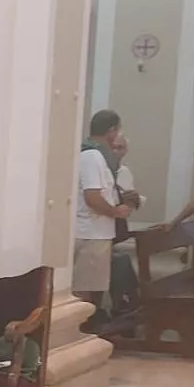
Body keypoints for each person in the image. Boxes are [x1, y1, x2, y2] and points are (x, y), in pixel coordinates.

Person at [75, 111, 132, 306]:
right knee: (84, 292)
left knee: (93, 289)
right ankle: (83, 324)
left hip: (97, 232)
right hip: (91, 233)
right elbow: (92, 197)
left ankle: (91, 321)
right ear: (112, 130)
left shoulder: (97, 155)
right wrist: (116, 211)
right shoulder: (92, 156)